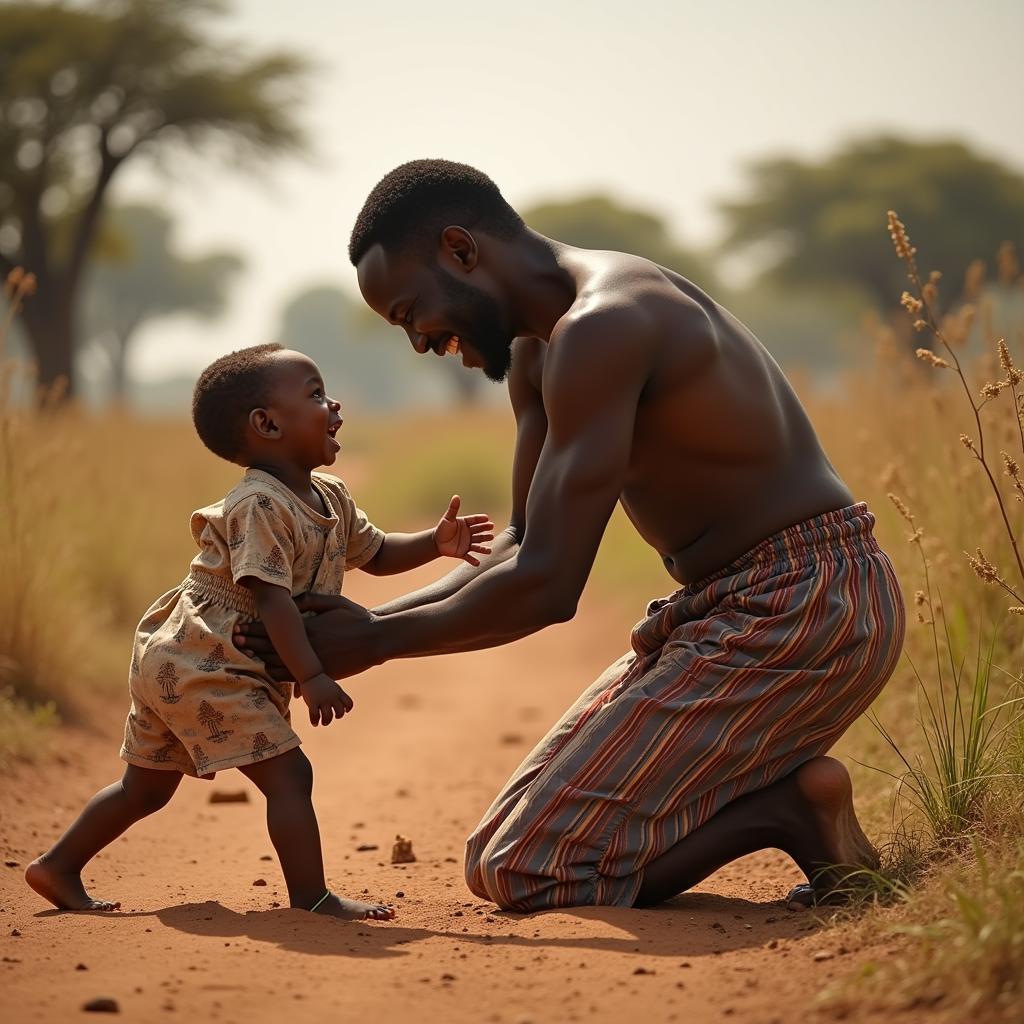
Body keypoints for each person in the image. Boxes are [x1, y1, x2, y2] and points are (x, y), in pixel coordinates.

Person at [234, 160, 906, 914]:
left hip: (807, 609)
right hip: (724, 612)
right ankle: (792, 802)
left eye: (409, 312)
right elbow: (523, 540)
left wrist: (378, 641)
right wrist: (361, 626)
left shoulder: (606, 323)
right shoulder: (539, 349)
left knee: (531, 868)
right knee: (496, 853)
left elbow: (550, 585)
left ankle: (788, 812)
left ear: (461, 251)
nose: (421, 343)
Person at [26, 342, 493, 920]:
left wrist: (434, 544)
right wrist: (314, 675)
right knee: (290, 773)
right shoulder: (259, 505)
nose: (335, 405)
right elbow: (272, 600)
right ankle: (312, 897)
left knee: (145, 789)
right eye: (317, 395)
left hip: (186, 658)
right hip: (206, 660)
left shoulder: (330, 496)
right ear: (267, 424)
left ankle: (57, 866)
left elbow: (373, 553)